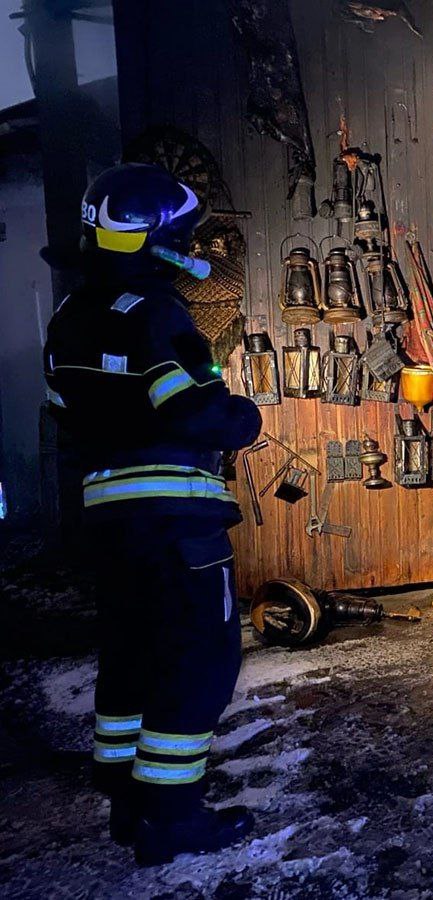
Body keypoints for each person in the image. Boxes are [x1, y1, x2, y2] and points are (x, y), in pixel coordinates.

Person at [43, 163, 263, 865]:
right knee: (200, 660)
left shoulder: (67, 318)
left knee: (131, 655)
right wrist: (243, 415)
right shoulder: (157, 313)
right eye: (183, 235)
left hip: (110, 525)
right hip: (177, 518)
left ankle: (128, 803)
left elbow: (63, 418)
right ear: (152, 238)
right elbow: (192, 409)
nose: (191, 247)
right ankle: (171, 817)